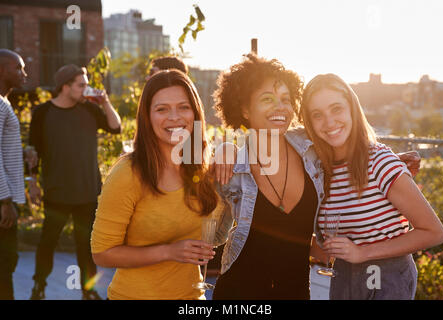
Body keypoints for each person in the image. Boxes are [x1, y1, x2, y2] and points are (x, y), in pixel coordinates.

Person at [211, 54, 422, 300]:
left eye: (286, 99)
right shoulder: (230, 167)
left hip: (296, 292)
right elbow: (213, 234)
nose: (280, 107)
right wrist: (223, 149)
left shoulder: (311, 149)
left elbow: (346, 145)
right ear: (244, 109)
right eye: (267, 99)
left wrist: (392, 159)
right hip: (239, 294)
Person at [300, 73, 443, 300]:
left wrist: (362, 253)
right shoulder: (317, 169)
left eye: (336, 109)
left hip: (385, 276)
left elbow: (434, 232)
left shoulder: (380, 161)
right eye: (317, 115)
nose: (329, 122)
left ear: (352, 109)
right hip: (343, 275)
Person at [90, 69, 220, 300]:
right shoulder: (128, 174)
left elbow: (222, 229)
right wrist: (169, 252)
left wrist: (231, 151)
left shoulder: (203, 167)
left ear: (195, 113)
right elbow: (102, 254)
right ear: (147, 117)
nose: (174, 117)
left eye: (183, 107)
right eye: (162, 109)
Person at [28, 64, 122, 300]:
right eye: (81, 85)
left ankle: (88, 291)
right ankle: (39, 286)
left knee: (85, 246)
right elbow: (33, 151)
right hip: (55, 192)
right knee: (47, 242)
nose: (86, 89)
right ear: (65, 86)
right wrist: (33, 183)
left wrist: (105, 102)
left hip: (87, 191)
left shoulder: (91, 110)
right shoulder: (42, 113)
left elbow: (116, 127)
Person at [0, 49, 27, 300]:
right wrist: (4, 201)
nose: (24, 74)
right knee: (5, 262)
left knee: (8, 262)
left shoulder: (4, 103)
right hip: (1, 201)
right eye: (17, 68)